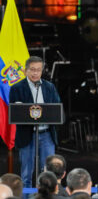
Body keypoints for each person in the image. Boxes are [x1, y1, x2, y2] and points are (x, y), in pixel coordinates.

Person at [9, 56, 61, 188]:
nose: (35, 73)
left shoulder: (50, 87)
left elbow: (58, 109)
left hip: (46, 134)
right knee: (26, 175)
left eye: (38, 70)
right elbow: (14, 113)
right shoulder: (17, 88)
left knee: (49, 174)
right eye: (32, 70)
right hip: (27, 135)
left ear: (42, 71)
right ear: (26, 70)